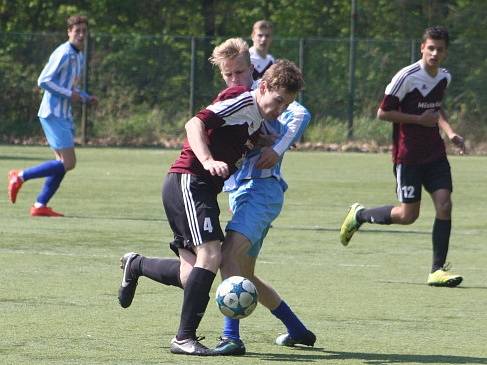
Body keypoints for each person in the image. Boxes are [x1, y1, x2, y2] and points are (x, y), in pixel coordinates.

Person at [118, 56, 304, 356]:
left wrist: (262, 141)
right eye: (277, 100)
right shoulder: (244, 104)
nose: (279, 109)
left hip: (203, 190)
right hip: (189, 181)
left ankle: (136, 265)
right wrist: (206, 160)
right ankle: (184, 337)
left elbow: (236, 137)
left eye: (286, 105)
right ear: (265, 86)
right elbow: (195, 123)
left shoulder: (256, 120)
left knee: (191, 275)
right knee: (212, 254)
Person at [210, 38, 315, 355]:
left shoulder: (265, 95)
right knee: (246, 273)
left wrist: (277, 146)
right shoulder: (234, 98)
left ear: (253, 70)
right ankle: (297, 329)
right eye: (228, 74)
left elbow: (301, 113)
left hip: (261, 192)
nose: (235, 80)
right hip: (243, 192)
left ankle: (231, 337)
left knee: (227, 257)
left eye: (240, 72)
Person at [340, 26, 465, 287]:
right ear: (422, 47)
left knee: (445, 205)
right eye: (430, 48)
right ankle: (360, 215)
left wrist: (451, 133)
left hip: (435, 153)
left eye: (440, 49)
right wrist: (418, 120)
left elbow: (437, 108)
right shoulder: (406, 77)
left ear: (446, 52)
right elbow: (383, 113)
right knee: (409, 216)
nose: (434, 53)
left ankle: (437, 270)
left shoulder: (444, 77)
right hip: (407, 156)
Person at [7, 15, 97, 216]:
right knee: (68, 162)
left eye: (84, 31)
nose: (81, 34)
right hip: (53, 113)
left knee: (61, 164)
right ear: (69, 32)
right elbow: (43, 80)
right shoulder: (64, 53)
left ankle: (40, 206)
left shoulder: (79, 56)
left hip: (63, 115)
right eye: (77, 31)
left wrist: (85, 97)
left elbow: (70, 87)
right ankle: (19, 176)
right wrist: (69, 94)